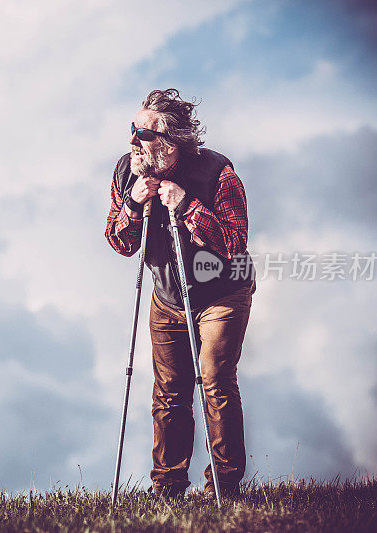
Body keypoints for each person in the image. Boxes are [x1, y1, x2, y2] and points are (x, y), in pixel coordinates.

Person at [105, 88, 256, 499]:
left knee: (215, 381)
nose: (133, 140)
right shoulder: (126, 172)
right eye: (132, 129)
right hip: (167, 296)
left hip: (223, 293)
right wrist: (134, 205)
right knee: (170, 393)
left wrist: (186, 205)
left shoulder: (218, 173)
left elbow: (233, 244)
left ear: (170, 141)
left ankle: (223, 486)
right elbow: (121, 243)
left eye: (143, 133)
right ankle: (167, 486)